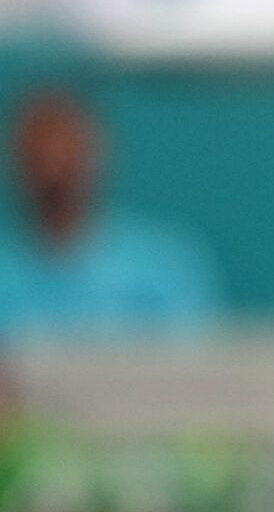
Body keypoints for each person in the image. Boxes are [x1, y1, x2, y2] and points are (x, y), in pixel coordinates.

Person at [0, 89, 221, 342]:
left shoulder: (166, 266)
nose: (54, 168)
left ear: (96, 155)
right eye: (38, 153)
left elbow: (197, 370)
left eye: (67, 150)